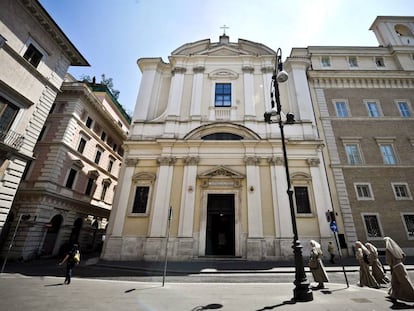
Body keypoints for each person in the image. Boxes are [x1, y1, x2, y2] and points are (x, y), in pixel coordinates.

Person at [384, 237, 414, 303]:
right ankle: (393, 295)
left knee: (405, 282)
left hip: (395, 267)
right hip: (400, 265)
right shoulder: (396, 247)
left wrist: (391, 265)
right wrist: (400, 262)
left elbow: (388, 260)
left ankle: (412, 295)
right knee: (394, 282)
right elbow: (404, 255)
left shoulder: (388, 249)